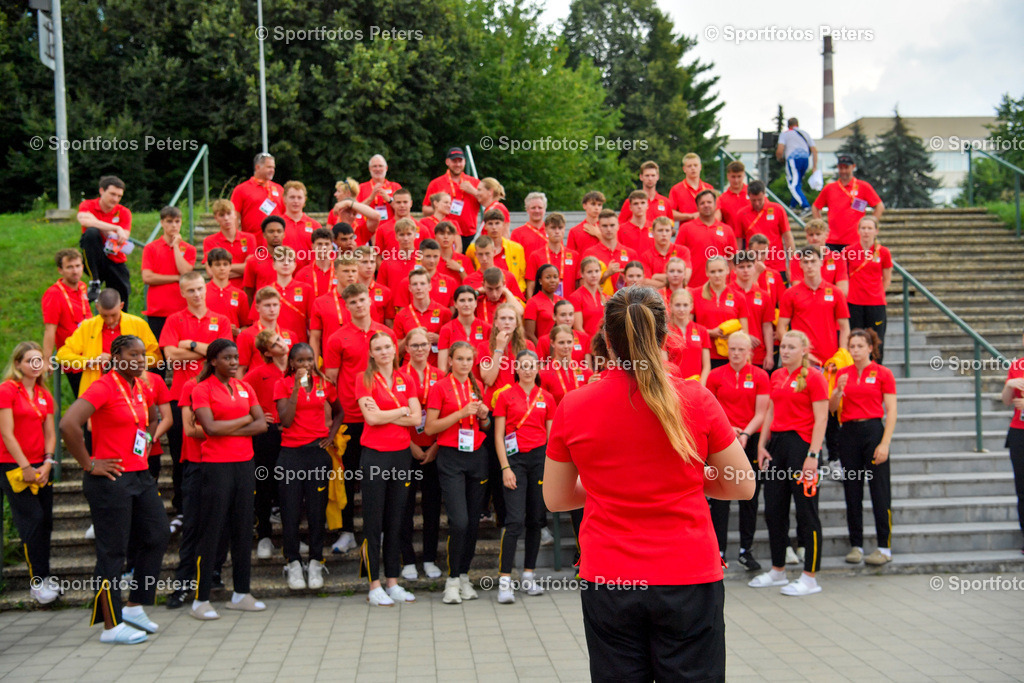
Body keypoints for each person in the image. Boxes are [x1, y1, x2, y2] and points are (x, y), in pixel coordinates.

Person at [544, 286, 753, 680]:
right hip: (687, 573)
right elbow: (742, 485)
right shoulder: (697, 398)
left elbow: (555, 500)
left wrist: (612, 487)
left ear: (607, 338)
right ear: (665, 334)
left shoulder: (574, 404)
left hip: (609, 575)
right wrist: (692, 480)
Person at [59, 335, 168, 643]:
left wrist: (145, 442)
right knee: (112, 551)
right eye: (132, 355)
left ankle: (134, 607)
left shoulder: (139, 386)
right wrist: (89, 463)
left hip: (140, 476)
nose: (139, 360)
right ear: (116, 356)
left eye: (142, 355)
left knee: (158, 534)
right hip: (110, 481)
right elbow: (68, 424)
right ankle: (110, 625)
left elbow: (152, 416)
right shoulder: (104, 385)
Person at [190, 339, 268, 619]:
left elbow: (262, 424)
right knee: (212, 531)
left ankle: (241, 593)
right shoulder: (201, 389)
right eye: (227, 358)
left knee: (244, 529)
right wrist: (244, 420)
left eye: (236, 357)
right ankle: (200, 600)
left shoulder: (245, 387)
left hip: (245, 466)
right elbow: (208, 427)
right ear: (213, 361)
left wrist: (230, 428)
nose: (234, 362)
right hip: (216, 467)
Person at [749, 330, 828, 596]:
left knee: (807, 512)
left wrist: (813, 456)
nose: (784, 351)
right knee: (774, 510)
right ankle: (778, 569)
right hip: (778, 447)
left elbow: (822, 419)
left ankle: (809, 576)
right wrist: (761, 444)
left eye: (791, 347)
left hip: (802, 447)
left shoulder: (815, 377)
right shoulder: (778, 376)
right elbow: (770, 410)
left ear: (804, 351)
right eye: (783, 347)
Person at [323, 283, 398, 552]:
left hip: (383, 416)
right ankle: (346, 531)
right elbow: (329, 382)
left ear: (371, 300)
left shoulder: (387, 334)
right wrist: (329, 422)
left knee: (377, 479)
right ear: (346, 306)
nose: (358, 305)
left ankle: (375, 531)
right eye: (352, 301)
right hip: (351, 418)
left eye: (362, 299)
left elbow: (395, 372)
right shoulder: (336, 338)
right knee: (346, 475)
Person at [159, 270, 233, 520]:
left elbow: (225, 356)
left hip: (215, 395)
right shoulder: (174, 319)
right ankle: (182, 508)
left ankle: (215, 505)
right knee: (182, 452)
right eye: (191, 290)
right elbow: (170, 355)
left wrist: (189, 344)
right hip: (181, 395)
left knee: (214, 449)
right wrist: (210, 354)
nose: (197, 294)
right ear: (182, 292)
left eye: (200, 288)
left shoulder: (221, 320)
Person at [354, 333, 420, 605]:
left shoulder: (407, 378)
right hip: (375, 457)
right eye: (377, 348)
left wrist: (389, 414)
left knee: (396, 520)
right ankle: (374, 585)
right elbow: (370, 417)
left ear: (395, 349)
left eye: (387, 347)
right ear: (371, 353)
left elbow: (416, 418)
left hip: (401, 457)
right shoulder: (364, 379)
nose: (383, 352)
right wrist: (401, 410)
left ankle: (392, 581)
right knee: (374, 522)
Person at [424, 341, 491, 604]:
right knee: (460, 521)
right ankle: (451, 580)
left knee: (473, 522)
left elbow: (483, 425)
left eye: (468, 359)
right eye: (460, 359)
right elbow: (430, 428)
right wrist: (460, 413)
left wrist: (484, 416)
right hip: (451, 456)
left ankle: (464, 575)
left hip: (476, 455)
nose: (465, 364)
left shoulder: (477, 385)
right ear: (450, 360)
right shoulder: (440, 387)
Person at [275, 343, 342, 590]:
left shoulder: (325, 384)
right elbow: (286, 419)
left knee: (316, 511)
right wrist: (295, 387)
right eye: (300, 361)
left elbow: (339, 411)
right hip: (291, 454)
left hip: (317, 453)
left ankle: (315, 560)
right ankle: (293, 562)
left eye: (309, 360)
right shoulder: (281, 384)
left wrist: (331, 434)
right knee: (290, 511)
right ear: (291, 363)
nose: (306, 365)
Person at [830, 329, 897, 566]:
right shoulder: (843, 373)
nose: (855, 350)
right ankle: (856, 545)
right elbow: (831, 408)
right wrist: (838, 391)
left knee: (880, 490)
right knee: (852, 490)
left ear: (870, 348)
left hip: (873, 431)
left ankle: (884, 547)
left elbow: (892, 411)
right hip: (848, 432)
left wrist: (885, 443)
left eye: (860, 346)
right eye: (852, 346)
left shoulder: (882, 373)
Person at [493, 350, 555, 603]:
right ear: (516, 369)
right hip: (514, 460)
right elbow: (498, 435)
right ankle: (505, 581)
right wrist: (505, 468)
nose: (528, 370)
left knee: (536, 519)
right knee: (515, 520)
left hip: (539, 461)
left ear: (538, 368)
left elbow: (552, 438)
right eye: (523, 366)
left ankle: (529, 575)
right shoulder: (505, 396)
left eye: (532, 366)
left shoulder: (547, 397)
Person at [705, 332, 770, 570]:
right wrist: (728, 429)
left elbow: (761, 412)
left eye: (741, 350)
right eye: (732, 349)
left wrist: (744, 434)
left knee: (749, 497)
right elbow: (710, 406)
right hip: (722, 440)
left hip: (749, 439)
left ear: (750, 353)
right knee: (720, 498)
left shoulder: (761, 376)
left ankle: (746, 550)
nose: (735, 353)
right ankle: (718, 551)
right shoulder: (715, 375)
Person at [0, 342, 58, 605]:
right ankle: (37, 582)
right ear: (18, 364)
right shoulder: (7, 390)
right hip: (15, 466)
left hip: (41, 465)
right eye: (30, 361)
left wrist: (47, 463)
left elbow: (50, 433)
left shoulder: (45, 393)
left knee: (45, 521)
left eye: (39, 360)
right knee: (31, 520)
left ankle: (45, 576)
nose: (36, 365)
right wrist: (25, 466)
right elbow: (7, 433)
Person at [399, 328, 444, 581]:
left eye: (423, 345)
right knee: (404, 506)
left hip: (435, 448)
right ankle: (407, 559)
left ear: (430, 348)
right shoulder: (397, 377)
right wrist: (409, 444)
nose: (419, 349)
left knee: (432, 507)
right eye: (414, 345)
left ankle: (429, 558)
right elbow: (393, 414)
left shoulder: (439, 376)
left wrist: (436, 445)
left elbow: (447, 412)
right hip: (406, 447)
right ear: (407, 349)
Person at [55, 288, 160, 396]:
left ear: (121, 306)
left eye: (114, 315)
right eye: (104, 315)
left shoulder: (138, 324)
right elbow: (62, 355)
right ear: (97, 307)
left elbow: (157, 357)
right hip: (98, 390)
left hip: (131, 388)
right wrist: (92, 361)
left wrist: (133, 361)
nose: (110, 320)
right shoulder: (88, 326)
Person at [245, 330, 290, 560]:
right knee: (264, 484)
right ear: (266, 352)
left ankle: (292, 538)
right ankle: (264, 536)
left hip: (295, 434)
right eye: (276, 343)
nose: (282, 344)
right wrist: (258, 415)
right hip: (267, 436)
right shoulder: (257, 373)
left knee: (291, 488)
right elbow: (241, 395)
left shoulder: (297, 372)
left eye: (282, 340)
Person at [779, 248, 851, 366]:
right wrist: (797, 351)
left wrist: (841, 356)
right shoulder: (790, 294)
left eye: (813, 261)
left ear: (821, 262)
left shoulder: (836, 293)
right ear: (800, 264)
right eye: (806, 262)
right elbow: (781, 327)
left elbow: (845, 328)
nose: (809, 266)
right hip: (801, 360)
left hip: (829, 360)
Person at [141, 206, 196, 340]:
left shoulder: (189, 249)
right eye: (169, 221)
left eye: (177, 221)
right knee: (159, 354)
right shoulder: (151, 248)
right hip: (157, 311)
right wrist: (175, 278)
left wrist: (176, 246)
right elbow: (147, 277)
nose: (174, 225)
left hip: (182, 310)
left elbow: (185, 273)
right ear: (162, 223)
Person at [42, 249, 91, 396]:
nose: (75, 271)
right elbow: (50, 329)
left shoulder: (82, 287)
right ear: (60, 270)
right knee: (85, 402)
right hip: (74, 358)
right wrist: (46, 360)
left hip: (92, 354)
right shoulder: (53, 294)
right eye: (69, 267)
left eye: (77, 266)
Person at [844, 216, 893, 362]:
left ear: (876, 231)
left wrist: (877, 292)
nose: (866, 232)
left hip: (876, 303)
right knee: (853, 340)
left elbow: (887, 277)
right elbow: (843, 276)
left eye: (870, 228)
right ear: (858, 231)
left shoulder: (883, 252)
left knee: (877, 340)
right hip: (854, 302)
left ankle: (876, 372)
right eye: (863, 228)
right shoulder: (849, 251)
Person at [77, 176, 133, 304]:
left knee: (121, 301)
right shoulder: (88, 205)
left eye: (119, 196)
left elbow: (123, 236)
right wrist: (115, 227)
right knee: (91, 232)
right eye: (112, 194)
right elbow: (84, 221)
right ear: (102, 191)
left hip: (115, 258)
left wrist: (96, 222)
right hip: (94, 257)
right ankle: (95, 281)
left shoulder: (124, 212)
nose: (115, 199)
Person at [812, 154, 885, 250]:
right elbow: (815, 207)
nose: (843, 171)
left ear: (853, 167)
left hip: (855, 241)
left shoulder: (863, 186)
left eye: (846, 168)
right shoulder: (830, 188)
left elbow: (879, 206)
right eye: (841, 168)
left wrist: (870, 224)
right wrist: (820, 226)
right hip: (832, 241)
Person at [690, 256, 750, 368]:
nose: (717, 275)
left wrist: (732, 335)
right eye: (713, 272)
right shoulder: (695, 294)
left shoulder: (739, 297)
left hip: (730, 356)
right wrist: (709, 332)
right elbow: (687, 327)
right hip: (703, 354)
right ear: (707, 273)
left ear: (727, 270)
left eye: (720, 271)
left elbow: (744, 331)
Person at [422, 148, 481, 250]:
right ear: (447, 162)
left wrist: (474, 191)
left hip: (469, 234)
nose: (457, 164)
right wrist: (440, 208)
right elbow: (425, 210)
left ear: (465, 162)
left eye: (460, 161)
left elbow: (488, 203)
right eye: (454, 161)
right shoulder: (436, 183)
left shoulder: (474, 182)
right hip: (444, 233)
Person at [676, 189, 736, 288]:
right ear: (697, 207)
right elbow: (679, 258)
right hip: (692, 287)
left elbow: (732, 261)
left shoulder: (727, 230)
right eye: (702, 203)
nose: (706, 205)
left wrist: (730, 283)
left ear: (715, 205)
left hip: (720, 288)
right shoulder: (686, 229)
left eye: (709, 202)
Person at [735, 180, 794, 281]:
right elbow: (739, 243)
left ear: (764, 195)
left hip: (777, 265)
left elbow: (788, 238)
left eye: (760, 199)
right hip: (753, 266)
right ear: (748, 196)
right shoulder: (742, 214)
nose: (757, 203)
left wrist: (792, 266)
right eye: (753, 200)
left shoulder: (778, 209)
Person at [392, 268, 452, 365]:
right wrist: (410, 337)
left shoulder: (444, 312)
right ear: (410, 288)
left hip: (436, 368)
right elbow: (396, 352)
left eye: (422, 284)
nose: (419, 288)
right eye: (415, 284)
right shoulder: (401, 315)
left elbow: (453, 346)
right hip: (409, 370)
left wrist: (439, 339)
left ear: (429, 286)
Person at [732, 251, 776, 371]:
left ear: (754, 267)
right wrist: (745, 336)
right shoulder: (728, 293)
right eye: (741, 267)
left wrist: (770, 355)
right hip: (732, 354)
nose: (745, 270)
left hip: (758, 354)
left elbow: (767, 326)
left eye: (749, 266)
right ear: (734, 269)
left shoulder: (763, 295)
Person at [236, 287, 295, 376]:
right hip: (259, 386)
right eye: (267, 305)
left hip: (286, 387)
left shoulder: (291, 335)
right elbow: (240, 370)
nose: (272, 309)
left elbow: (298, 367)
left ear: (280, 306)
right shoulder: (246, 335)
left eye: (275, 305)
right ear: (257, 307)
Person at [582, 209, 643, 296]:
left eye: (612, 225)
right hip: (600, 304)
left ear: (618, 226)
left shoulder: (631, 253)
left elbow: (640, 284)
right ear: (599, 227)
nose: (609, 229)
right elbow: (583, 285)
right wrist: (606, 274)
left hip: (625, 303)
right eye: (605, 226)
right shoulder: (590, 253)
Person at [230, 153, 284, 248]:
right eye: (269, 167)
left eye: (273, 168)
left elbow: (285, 216)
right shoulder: (241, 189)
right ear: (258, 167)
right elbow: (234, 217)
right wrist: (235, 240)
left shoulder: (279, 189)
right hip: (252, 244)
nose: (272, 170)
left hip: (276, 245)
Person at [466, 210, 527, 293]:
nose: (494, 227)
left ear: (503, 225)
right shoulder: (473, 248)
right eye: (490, 224)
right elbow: (471, 273)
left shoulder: (517, 248)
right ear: (485, 226)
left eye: (497, 223)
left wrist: (513, 293)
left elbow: (521, 277)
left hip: (511, 295)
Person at [1001, 333, 1024, 556]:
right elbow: (1007, 400)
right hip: (1019, 431)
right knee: (1022, 488)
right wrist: (1009, 385)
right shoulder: (1017, 365)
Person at [438, 285, 492, 373]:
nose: (466, 304)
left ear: (475, 303)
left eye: (470, 300)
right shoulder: (447, 329)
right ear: (455, 304)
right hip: (456, 383)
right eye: (462, 300)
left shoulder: (487, 328)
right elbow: (442, 367)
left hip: (480, 384)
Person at [790, 219, 849, 295]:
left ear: (826, 235)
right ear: (807, 236)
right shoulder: (797, 258)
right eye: (811, 235)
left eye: (818, 234)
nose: (814, 238)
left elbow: (843, 291)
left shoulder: (838, 258)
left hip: (830, 301)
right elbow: (797, 290)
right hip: (806, 303)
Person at [663, 288, 711, 383]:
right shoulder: (665, 332)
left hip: (697, 385)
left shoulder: (702, 331)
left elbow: (706, 366)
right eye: (677, 305)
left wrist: (701, 385)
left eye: (685, 305)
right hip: (675, 384)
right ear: (670, 306)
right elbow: (665, 364)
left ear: (691, 306)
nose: (681, 309)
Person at [203, 199, 253, 288]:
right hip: (220, 290)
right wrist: (242, 269)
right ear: (216, 218)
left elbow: (251, 268)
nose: (226, 218)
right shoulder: (210, 241)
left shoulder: (249, 238)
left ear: (235, 214)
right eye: (222, 215)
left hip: (245, 290)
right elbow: (211, 273)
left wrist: (221, 270)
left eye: (229, 213)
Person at [526, 213, 577, 299]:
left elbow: (578, 285)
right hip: (544, 307)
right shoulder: (536, 255)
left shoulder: (574, 255)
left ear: (564, 230)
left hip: (568, 306)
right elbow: (530, 286)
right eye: (553, 228)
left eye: (560, 228)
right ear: (545, 230)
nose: (557, 231)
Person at [539, 325, 594, 404]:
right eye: (561, 343)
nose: (566, 346)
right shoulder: (543, 374)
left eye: (569, 342)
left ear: (574, 342)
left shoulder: (586, 372)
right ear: (552, 343)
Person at [205, 247, 251, 336]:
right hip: (207, 343)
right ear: (210, 267)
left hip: (232, 345)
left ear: (230, 266)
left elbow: (247, 325)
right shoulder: (202, 292)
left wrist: (238, 331)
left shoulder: (240, 295)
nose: (222, 268)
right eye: (217, 265)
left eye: (225, 264)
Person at [776, 117, 818, 214]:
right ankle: (792, 205)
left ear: (788, 125)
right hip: (805, 160)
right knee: (797, 183)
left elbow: (779, 150)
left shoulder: (785, 134)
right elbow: (814, 151)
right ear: (797, 124)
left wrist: (780, 159)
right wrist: (814, 166)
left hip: (793, 160)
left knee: (793, 184)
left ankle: (806, 206)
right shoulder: (805, 133)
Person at [463, 236, 524, 301]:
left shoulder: (508, 276)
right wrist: (477, 292)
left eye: (487, 254)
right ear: (475, 254)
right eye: (480, 254)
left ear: (494, 252)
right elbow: (464, 303)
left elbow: (520, 304)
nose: (484, 258)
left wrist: (505, 292)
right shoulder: (468, 280)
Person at [242, 216, 287, 302]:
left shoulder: (291, 260)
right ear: (264, 235)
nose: (275, 234)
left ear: (284, 234)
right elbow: (248, 292)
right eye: (271, 231)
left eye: (279, 231)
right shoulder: (253, 261)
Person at [617, 160, 674, 227]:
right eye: (647, 175)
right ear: (641, 177)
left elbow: (671, 227)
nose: (650, 179)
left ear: (657, 177)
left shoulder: (666, 202)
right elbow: (619, 225)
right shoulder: (631, 202)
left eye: (653, 175)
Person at [280, 180, 322, 269]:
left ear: (305, 200)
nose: (296, 201)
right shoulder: (277, 224)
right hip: (283, 272)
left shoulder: (315, 226)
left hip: (308, 275)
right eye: (292, 197)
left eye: (299, 197)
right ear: (284, 198)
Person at [327, 178, 382, 246]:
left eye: (354, 213)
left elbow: (376, 217)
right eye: (348, 212)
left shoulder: (360, 230)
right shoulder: (333, 230)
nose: (352, 216)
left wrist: (348, 203)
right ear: (339, 212)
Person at [641, 217, 692, 289]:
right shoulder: (646, 256)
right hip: (657, 297)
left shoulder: (683, 251)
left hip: (679, 296)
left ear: (672, 232)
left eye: (667, 230)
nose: (664, 234)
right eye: (660, 230)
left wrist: (656, 276)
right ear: (652, 233)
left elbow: (685, 278)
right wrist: (673, 282)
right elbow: (646, 282)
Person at [376, 189, 432, 254]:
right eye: (398, 202)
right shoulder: (382, 229)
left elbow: (429, 254)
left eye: (405, 202)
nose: (402, 205)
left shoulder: (423, 229)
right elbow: (378, 257)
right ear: (393, 204)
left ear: (411, 203)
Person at [669, 153, 716, 225]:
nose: (693, 168)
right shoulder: (676, 189)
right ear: (684, 169)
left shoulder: (709, 188)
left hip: (706, 229)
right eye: (689, 166)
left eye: (695, 165)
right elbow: (670, 213)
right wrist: (690, 216)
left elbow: (716, 211)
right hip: (686, 231)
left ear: (700, 167)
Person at [353, 246, 395, 325]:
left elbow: (389, 325)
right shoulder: (349, 291)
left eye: (372, 262)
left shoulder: (385, 292)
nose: (369, 266)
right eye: (364, 262)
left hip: (377, 335)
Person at [356, 154, 403, 224]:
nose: (377, 169)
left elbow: (403, 209)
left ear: (386, 168)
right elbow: (355, 210)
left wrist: (389, 199)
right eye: (374, 166)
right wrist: (371, 197)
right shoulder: (361, 187)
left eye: (380, 166)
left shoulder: (396, 187)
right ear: (370, 169)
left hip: (391, 228)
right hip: (368, 229)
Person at [523, 264, 563, 345]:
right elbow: (529, 334)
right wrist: (542, 350)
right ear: (540, 281)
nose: (552, 280)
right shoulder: (533, 302)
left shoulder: (562, 300)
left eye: (555, 277)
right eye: (548, 277)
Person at [295, 228, 338, 298]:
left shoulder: (340, 272)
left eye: (327, 244)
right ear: (313, 247)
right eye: (319, 244)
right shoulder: (302, 274)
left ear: (332, 247)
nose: (323, 247)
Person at [569, 256, 606, 337]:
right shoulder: (575, 297)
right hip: (587, 345)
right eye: (589, 272)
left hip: (603, 345)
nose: (594, 275)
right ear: (582, 274)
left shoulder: (605, 297)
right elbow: (578, 328)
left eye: (597, 271)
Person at [511, 192, 550, 257]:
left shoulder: (553, 231)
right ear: (527, 210)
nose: (537, 211)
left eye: (540, 208)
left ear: (545, 210)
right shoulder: (517, 233)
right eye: (533, 208)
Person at [716, 160, 749, 232]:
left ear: (744, 175)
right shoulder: (722, 199)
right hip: (732, 237)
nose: (736, 180)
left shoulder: (752, 193)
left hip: (752, 238)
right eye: (733, 177)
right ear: (728, 176)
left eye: (739, 176)